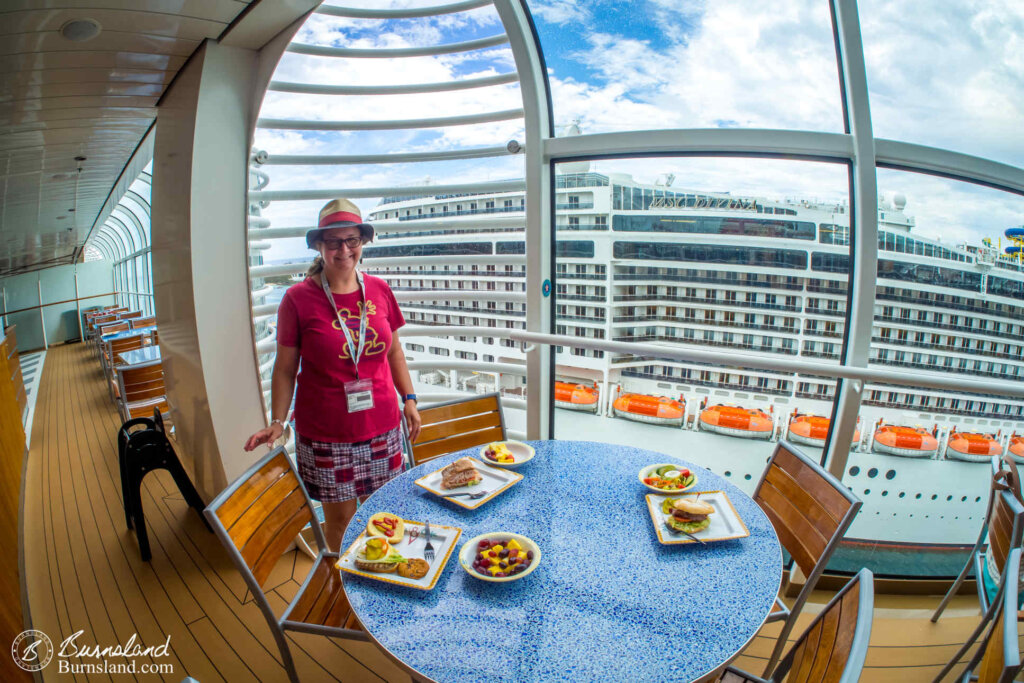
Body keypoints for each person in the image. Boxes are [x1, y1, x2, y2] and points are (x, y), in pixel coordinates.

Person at [244, 198, 421, 552]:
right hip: (327, 436)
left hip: (382, 427)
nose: (344, 249)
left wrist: (410, 400)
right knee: (339, 524)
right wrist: (278, 421)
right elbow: (284, 369)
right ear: (319, 246)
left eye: (351, 240)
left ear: (362, 243)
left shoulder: (380, 290)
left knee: (385, 516)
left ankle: (384, 587)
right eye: (334, 241)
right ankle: (346, 594)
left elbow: (394, 351)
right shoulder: (297, 299)